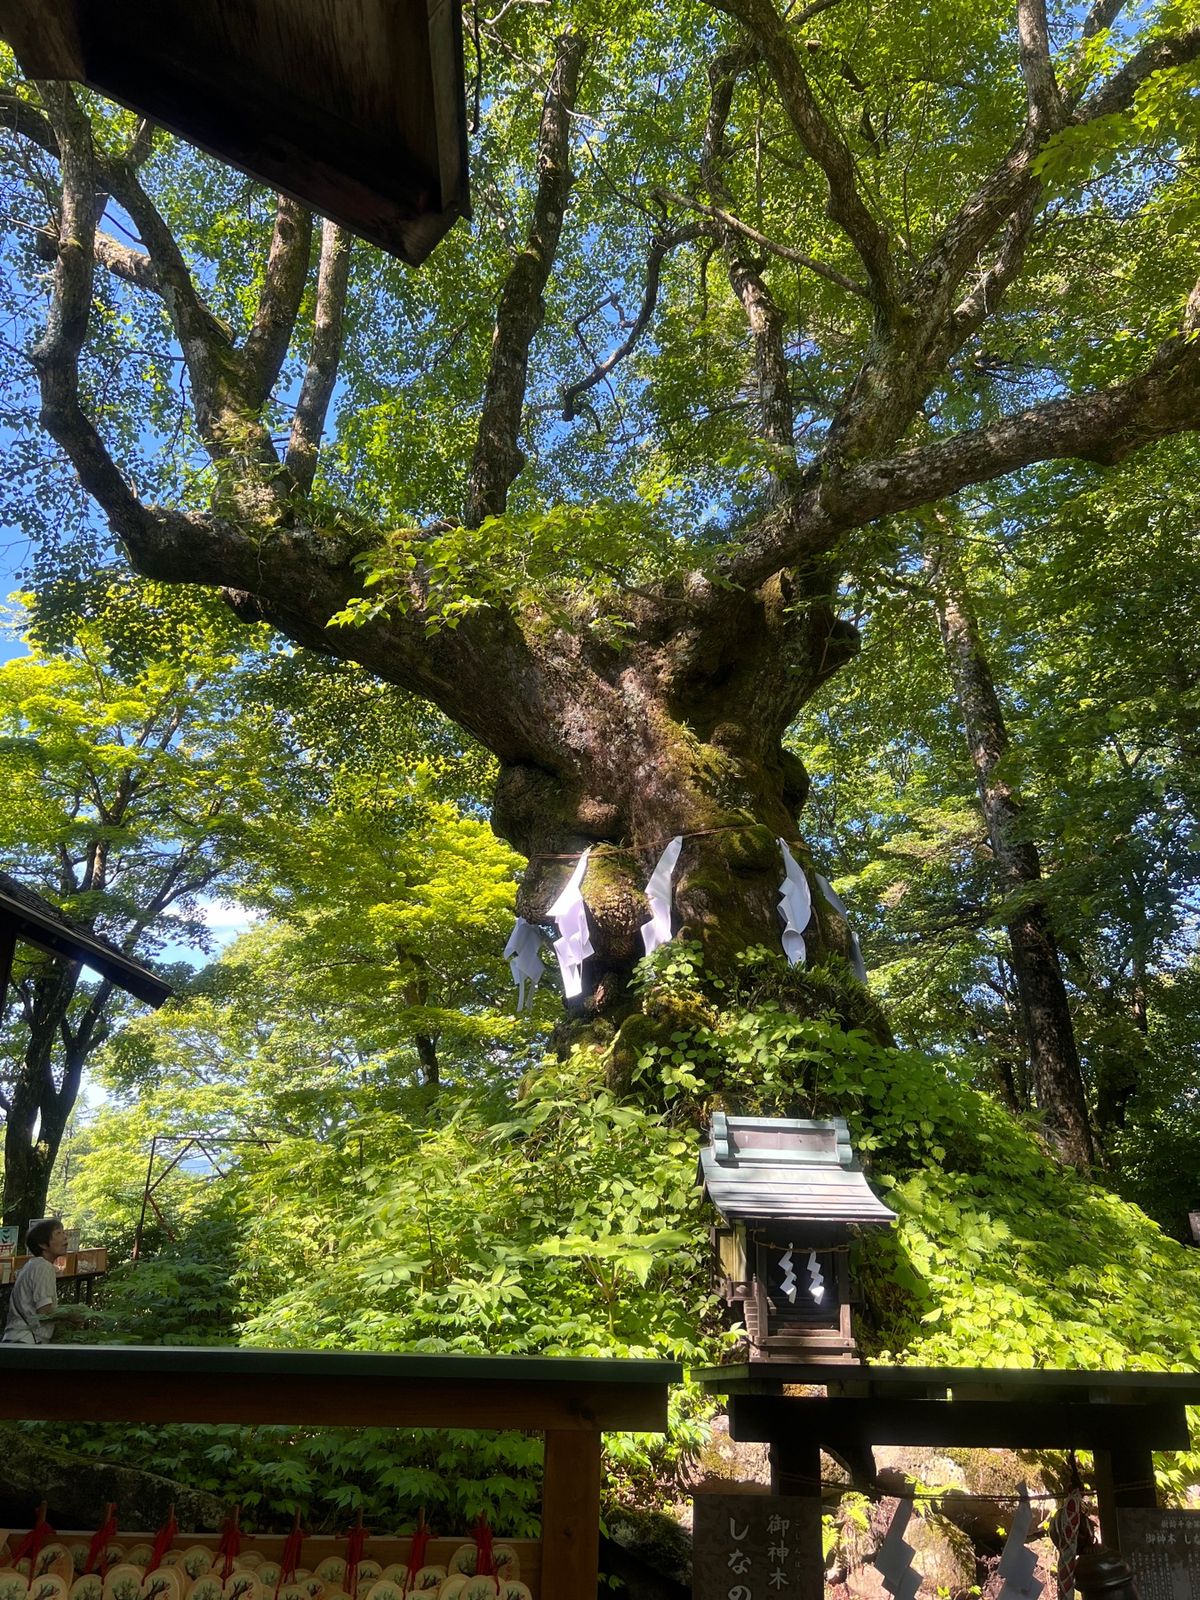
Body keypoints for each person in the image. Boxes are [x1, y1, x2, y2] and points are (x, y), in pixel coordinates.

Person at [1, 1218, 81, 1345]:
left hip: (17, 1339)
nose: (65, 1237)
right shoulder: (43, 1267)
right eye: (58, 1233)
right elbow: (44, 1312)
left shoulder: (32, 1265)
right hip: (26, 1342)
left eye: (64, 1232)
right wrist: (71, 1315)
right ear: (43, 1244)